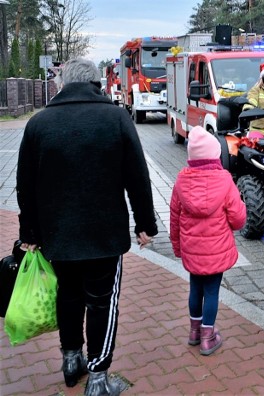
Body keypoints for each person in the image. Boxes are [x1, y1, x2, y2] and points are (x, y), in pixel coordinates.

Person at [16, 58, 158, 396]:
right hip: (104, 235)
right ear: (96, 83)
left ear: (62, 83)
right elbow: (137, 176)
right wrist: (145, 223)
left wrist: (30, 233)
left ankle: (70, 360)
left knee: (68, 295)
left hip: (57, 235)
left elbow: (25, 184)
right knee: (101, 302)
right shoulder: (116, 118)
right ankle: (98, 378)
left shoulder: (39, 123)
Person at [169, 126, 246, 356]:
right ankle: (207, 337)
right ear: (215, 155)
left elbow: (174, 216)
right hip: (216, 250)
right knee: (212, 292)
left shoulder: (182, 181)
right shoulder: (224, 180)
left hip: (192, 250)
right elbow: (238, 218)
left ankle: (194, 332)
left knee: (195, 288)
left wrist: (177, 247)